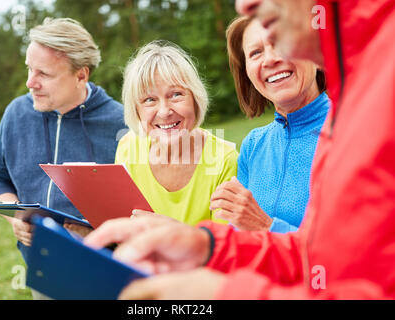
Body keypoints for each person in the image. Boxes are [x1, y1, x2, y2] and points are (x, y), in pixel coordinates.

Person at [85, 0, 395, 299]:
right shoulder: (255, 146)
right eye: (255, 52)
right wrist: (207, 245)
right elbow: (313, 255)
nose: (243, 4)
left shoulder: (372, 107)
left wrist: (252, 244)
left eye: (275, 41)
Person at [0, 18, 125, 272]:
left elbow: (141, 207)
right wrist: (15, 214)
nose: (30, 82)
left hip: (108, 269)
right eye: (29, 69)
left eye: (44, 74)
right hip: (42, 267)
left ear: (81, 75)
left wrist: (98, 231)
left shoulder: (122, 123)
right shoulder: (16, 113)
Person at [210, 16, 329, 233]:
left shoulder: (351, 132)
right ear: (247, 73)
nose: (270, 60)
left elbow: (356, 251)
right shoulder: (253, 145)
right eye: (256, 53)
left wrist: (266, 227)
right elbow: (239, 239)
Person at [116, 40, 238, 225]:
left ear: (195, 99)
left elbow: (225, 247)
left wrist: (166, 229)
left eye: (176, 95)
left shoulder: (225, 160)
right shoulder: (127, 147)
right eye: (150, 99)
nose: (164, 111)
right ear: (136, 109)